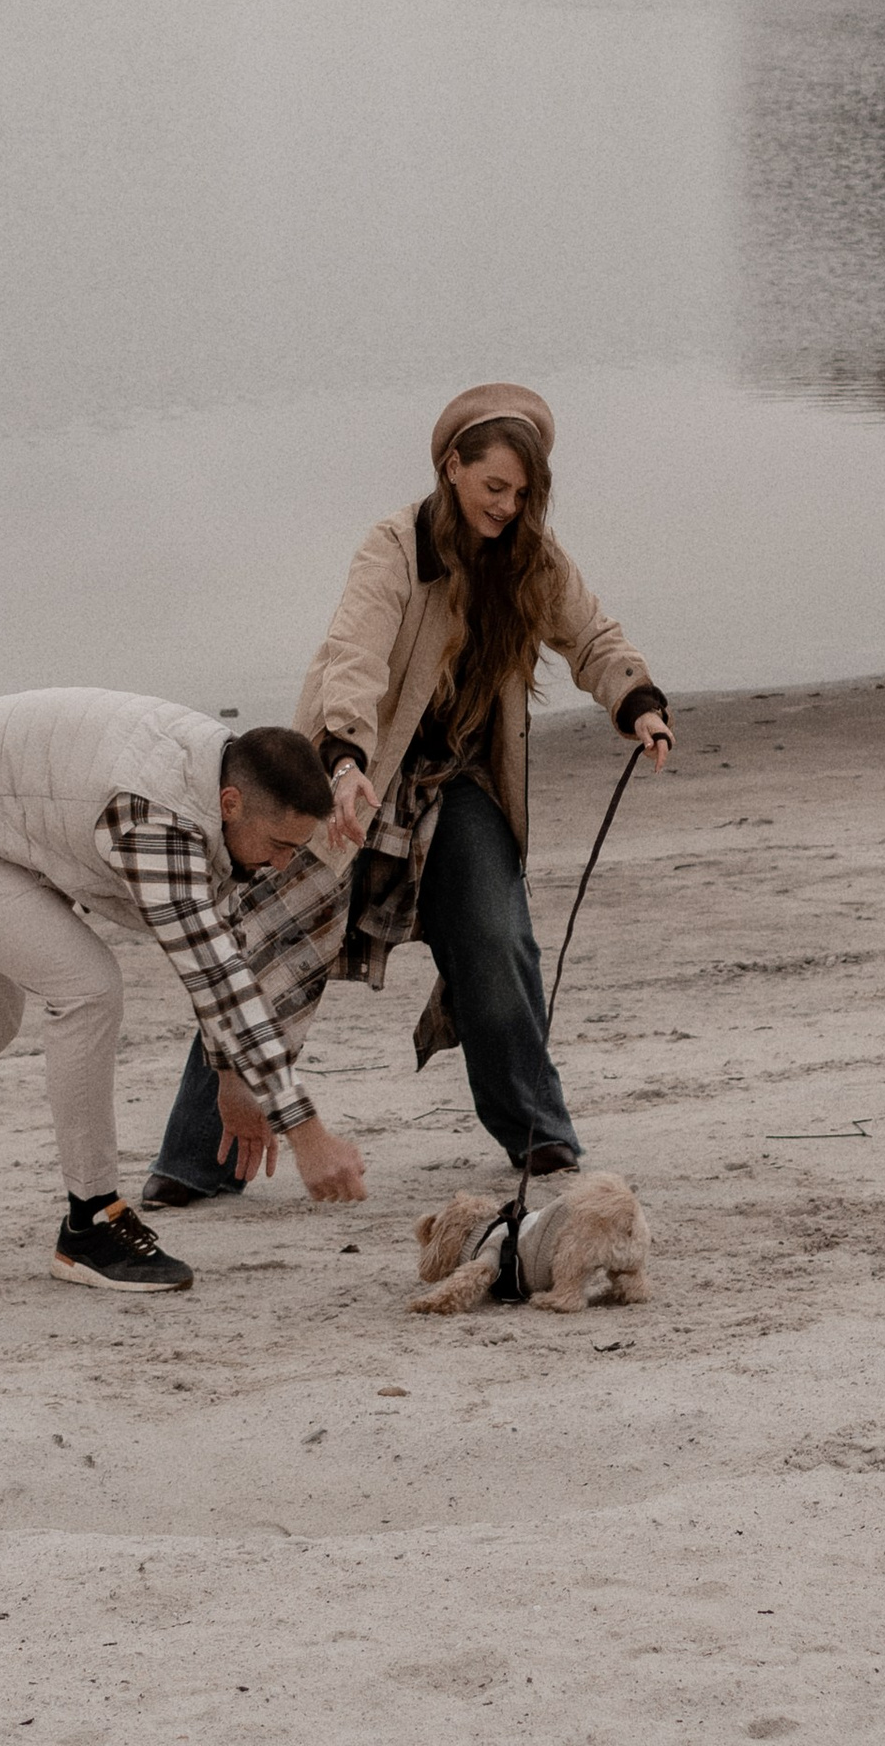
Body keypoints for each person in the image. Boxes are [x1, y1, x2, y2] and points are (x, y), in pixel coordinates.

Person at [145, 381, 670, 1209]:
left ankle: (536, 1132)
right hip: (358, 775)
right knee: (269, 942)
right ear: (451, 467)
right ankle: (195, 1158)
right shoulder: (394, 547)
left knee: (498, 940)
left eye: (522, 493)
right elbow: (352, 656)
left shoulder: (534, 556)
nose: (507, 506)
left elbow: (593, 636)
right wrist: (344, 757)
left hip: (460, 785)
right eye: (494, 487)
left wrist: (636, 703)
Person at [0, 688, 366, 1293]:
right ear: (231, 803)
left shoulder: (221, 774)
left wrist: (234, 1079)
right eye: (281, 846)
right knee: (87, 987)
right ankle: (92, 1223)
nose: (285, 866)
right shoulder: (157, 816)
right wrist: (306, 1133)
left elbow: (220, 934)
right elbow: (214, 975)